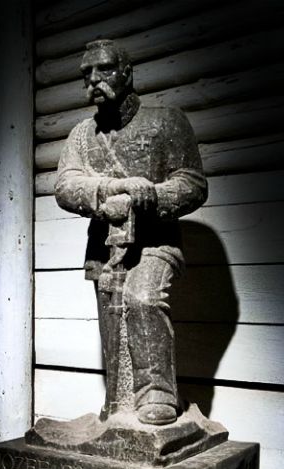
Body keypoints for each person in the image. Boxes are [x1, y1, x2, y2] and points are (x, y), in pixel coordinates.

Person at [55, 39, 207, 426]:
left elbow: (191, 183)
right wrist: (109, 189)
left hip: (156, 242)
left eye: (103, 69)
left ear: (126, 72)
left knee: (142, 299)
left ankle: (156, 394)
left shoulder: (166, 121)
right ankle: (120, 406)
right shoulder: (81, 135)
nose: (93, 79)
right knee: (112, 322)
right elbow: (66, 186)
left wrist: (149, 195)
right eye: (86, 73)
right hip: (105, 247)